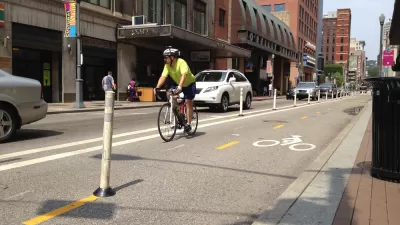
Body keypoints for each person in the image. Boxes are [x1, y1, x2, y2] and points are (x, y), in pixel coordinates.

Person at [153, 46, 196, 132]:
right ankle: (179, 116)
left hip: (189, 83)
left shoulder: (181, 62)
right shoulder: (167, 66)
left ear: (172, 57)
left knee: (188, 101)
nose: (164, 59)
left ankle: (188, 123)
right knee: (170, 95)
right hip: (177, 82)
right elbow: (163, 76)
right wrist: (157, 87)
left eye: (166, 57)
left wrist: (180, 86)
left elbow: (184, 75)